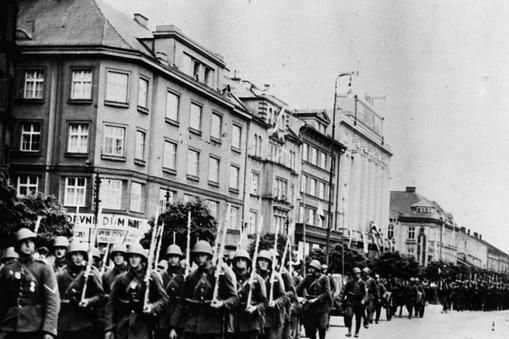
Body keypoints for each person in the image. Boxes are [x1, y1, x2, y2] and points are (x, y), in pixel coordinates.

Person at [0, 227, 60, 339]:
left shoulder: (43, 269)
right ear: (17, 246)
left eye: (31, 242)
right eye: (24, 242)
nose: (28, 245)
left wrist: (49, 330)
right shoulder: (8, 269)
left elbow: (52, 302)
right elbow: (2, 300)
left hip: (34, 327)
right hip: (9, 327)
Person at [104, 243, 169, 339]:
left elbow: (164, 299)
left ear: (141, 258)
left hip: (142, 327)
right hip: (123, 328)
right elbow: (110, 304)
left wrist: (152, 307)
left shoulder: (150, 277)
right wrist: (109, 328)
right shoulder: (120, 279)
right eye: (131, 257)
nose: (133, 259)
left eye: (137, 257)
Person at [182, 240, 239, 339]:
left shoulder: (220, 274)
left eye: (202, 255)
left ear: (209, 256)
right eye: (197, 255)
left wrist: (222, 304)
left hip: (213, 326)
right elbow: (183, 300)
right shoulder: (191, 277)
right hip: (193, 326)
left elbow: (234, 298)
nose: (199, 258)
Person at [57, 241, 106, 339]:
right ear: (69, 256)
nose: (78, 258)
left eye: (81, 255)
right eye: (75, 255)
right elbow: (54, 296)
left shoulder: (90, 273)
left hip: (84, 322)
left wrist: (89, 301)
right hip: (64, 322)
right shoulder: (61, 274)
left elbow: (101, 296)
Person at [230, 249, 266, 339]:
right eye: (238, 260)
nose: (240, 262)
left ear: (248, 263)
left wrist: (255, 307)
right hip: (235, 321)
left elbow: (264, 303)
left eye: (243, 260)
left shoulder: (257, 279)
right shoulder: (231, 278)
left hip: (251, 322)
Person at [156, 244, 185, 339]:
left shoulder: (184, 275)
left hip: (180, 314)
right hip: (164, 315)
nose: (173, 259)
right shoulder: (161, 275)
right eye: (170, 257)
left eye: (175, 257)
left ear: (179, 258)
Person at [296, 260, 331, 339]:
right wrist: (296, 296)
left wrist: (316, 299)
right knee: (311, 329)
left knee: (322, 328)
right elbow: (298, 288)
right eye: (310, 268)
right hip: (311, 308)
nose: (310, 269)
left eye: (312, 268)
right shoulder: (308, 277)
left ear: (317, 268)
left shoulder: (325, 278)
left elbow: (327, 293)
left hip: (322, 307)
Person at [256, 250, 286, 339]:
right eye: (261, 260)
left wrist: (275, 302)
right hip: (256, 316)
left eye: (266, 261)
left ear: (269, 263)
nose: (263, 263)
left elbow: (283, 297)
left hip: (271, 317)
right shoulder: (253, 277)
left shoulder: (275, 277)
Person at [342, 267, 367, 338]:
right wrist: (342, 300)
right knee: (349, 316)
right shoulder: (349, 282)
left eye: (358, 274)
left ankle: (357, 332)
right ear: (353, 274)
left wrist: (363, 300)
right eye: (356, 274)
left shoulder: (362, 283)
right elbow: (345, 292)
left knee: (358, 318)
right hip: (350, 301)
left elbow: (365, 293)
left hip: (359, 302)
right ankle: (349, 331)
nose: (357, 275)